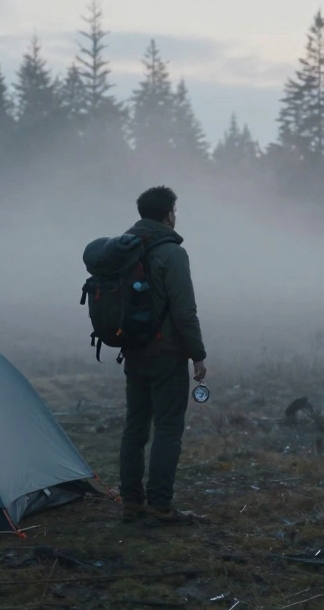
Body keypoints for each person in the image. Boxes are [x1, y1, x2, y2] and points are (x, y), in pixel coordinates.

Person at [118, 185, 208, 525]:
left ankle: (131, 503)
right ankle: (159, 506)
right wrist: (197, 354)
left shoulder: (124, 247)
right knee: (168, 430)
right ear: (169, 214)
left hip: (132, 349)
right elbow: (184, 311)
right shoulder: (171, 252)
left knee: (135, 427)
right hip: (167, 352)